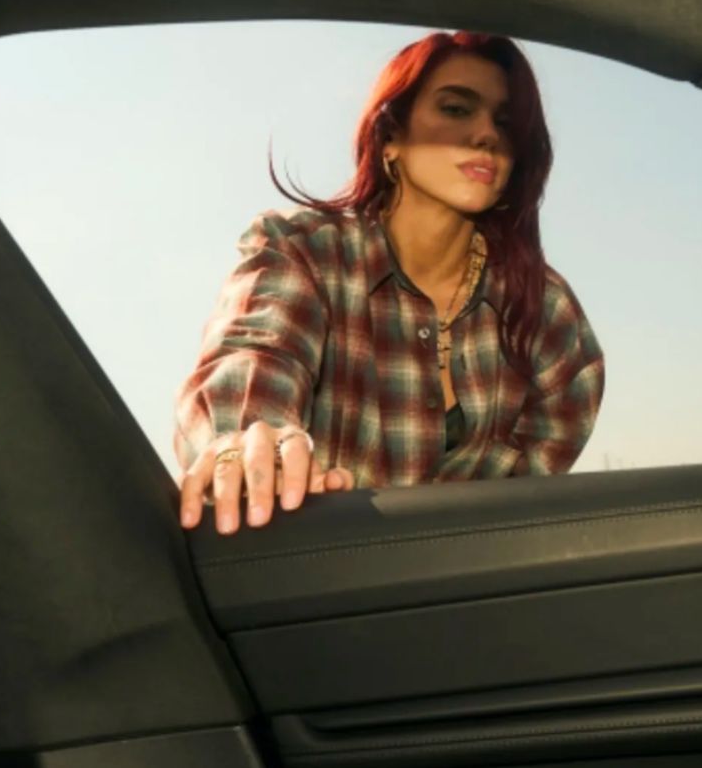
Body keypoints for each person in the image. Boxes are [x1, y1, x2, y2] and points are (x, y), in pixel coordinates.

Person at [173, 31, 605, 535]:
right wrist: (250, 438)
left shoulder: (548, 314)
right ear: (391, 138)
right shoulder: (307, 252)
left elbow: (521, 520)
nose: (487, 134)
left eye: (505, 123)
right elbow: (257, 353)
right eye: (457, 109)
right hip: (311, 569)